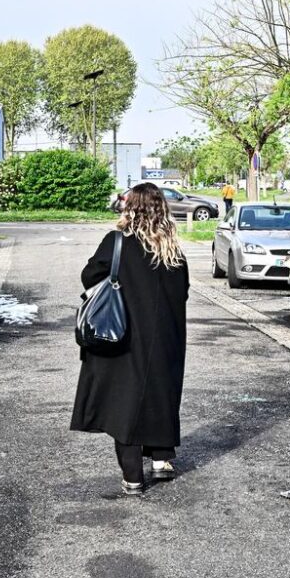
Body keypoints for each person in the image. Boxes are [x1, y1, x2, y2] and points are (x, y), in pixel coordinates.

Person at [71, 183, 190, 496]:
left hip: (124, 337)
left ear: (131, 207)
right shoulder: (172, 249)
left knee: (124, 402)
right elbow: (183, 292)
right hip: (167, 338)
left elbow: (89, 276)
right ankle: (162, 460)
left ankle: (133, 477)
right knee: (161, 394)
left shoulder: (117, 242)